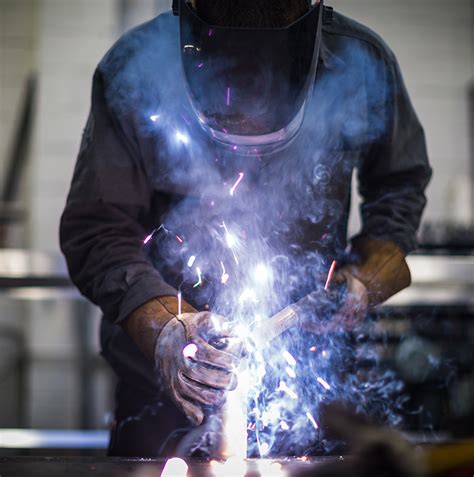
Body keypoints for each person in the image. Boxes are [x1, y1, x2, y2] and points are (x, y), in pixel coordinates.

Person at [60, 0, 431, 458]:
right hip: (163, 400)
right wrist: (166, 327)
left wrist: (365, 278)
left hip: (309, 388)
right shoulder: (134, 69)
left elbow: (398, 185)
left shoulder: (360, 62)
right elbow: (99, 228)